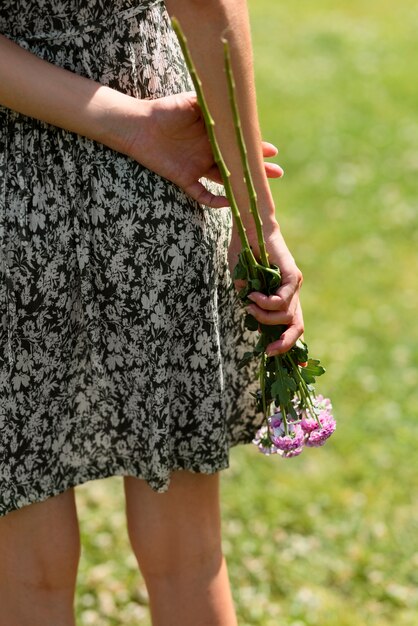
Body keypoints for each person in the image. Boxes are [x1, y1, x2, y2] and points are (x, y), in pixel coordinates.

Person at [0, 0, 303, 624]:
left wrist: (124, 122)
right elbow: (206, 9)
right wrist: (259, 222)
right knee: (188, 558)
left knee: (23, 572)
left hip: (12, 188)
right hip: (155, 179)